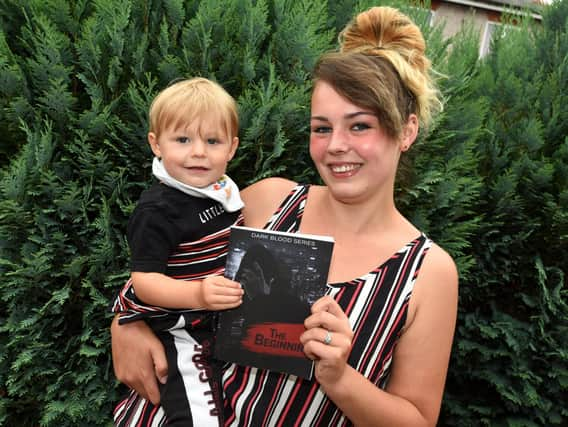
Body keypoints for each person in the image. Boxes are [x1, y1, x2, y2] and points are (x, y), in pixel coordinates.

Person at [111, 6, 458, 426]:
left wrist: (338, 377)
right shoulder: (267, 203)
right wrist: (124, 324)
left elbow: (417, 420)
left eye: (360, 126)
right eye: (322, 128)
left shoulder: (428, 272)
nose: (336, 146)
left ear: (406, 131)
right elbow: (167, 269)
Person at [111, 77, 245, 427]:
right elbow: (144, 282)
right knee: (199, 415)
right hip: (182, 329)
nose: (198, 151)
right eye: (183, 139)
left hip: (221, 323)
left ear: (231, 148)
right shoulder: (158, 210)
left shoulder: (222, 192)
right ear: (156, 144)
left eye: (212, 141)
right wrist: (197, 292)